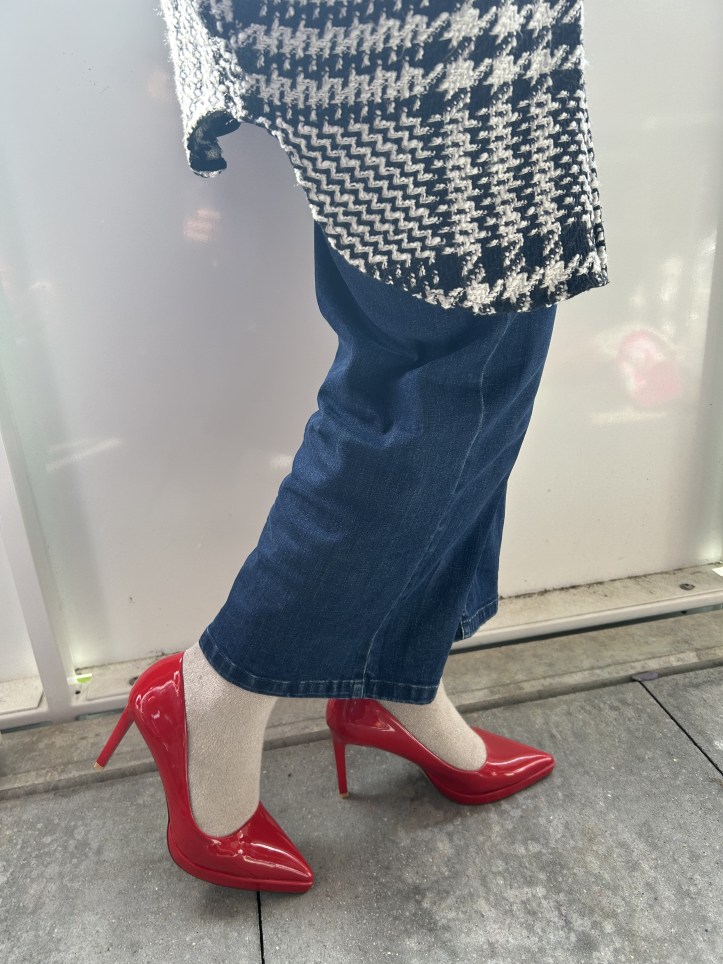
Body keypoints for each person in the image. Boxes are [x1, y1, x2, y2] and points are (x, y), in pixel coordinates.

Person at [95, 0, 608, 892]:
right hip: (420, 32)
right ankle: (213, 690)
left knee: (478, 365)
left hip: (466, 37)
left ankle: (391, 677)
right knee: (442, 375)